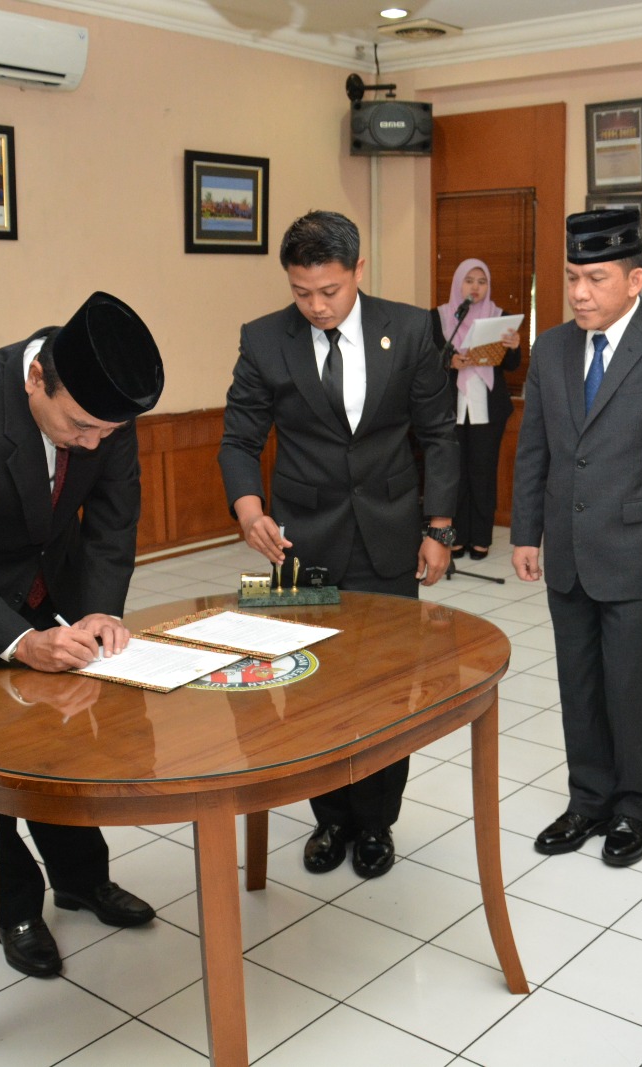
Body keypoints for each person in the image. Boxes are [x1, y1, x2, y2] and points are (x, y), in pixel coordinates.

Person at [0, 291, 164, 979]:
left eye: (105, 433)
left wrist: (103, 611)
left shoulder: (105, 412)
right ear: (35, 380)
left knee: (67, 747)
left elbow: (113, 520)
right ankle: (17, 905)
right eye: (79, 427)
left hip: (59, 588)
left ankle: (82, 880)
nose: (91, 443)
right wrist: (19, 642)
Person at [219, 210, 458, 879]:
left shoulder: (411, 330)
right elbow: (239, 437)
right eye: (302, 292)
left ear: (358, 270)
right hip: (303, 540)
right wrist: (247, 509)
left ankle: (376, 822)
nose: (317, 306)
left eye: (330, 290)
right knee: (310, 686)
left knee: (386, 686)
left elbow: (439, 434)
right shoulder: (266, 340)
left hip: (389, 534)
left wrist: (439, 527)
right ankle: (330, 817)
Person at [510, 208, 642, 868]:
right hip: (568, 551)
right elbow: (533, 450)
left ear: (634, 280)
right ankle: (587, 800)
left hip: (640, 553)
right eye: (572, 277)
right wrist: (524, 533)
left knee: (632, 686)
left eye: (594, 279)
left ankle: (633, 806)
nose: (578, 293)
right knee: (579, 683)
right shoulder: (552, 349)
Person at [434, 257, 521, 560]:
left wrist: (514, 346)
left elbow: (511, 365)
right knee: (453, 475)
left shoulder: (499, 316)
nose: (476, 286)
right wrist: (449, 362)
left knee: (482, 474)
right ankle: (454, 537)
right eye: (470, 280)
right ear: (459, 283)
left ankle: (481, 537)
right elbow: (425, 363)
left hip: (488, 409)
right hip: (450, 410)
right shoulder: (441, 317)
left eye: (482, 281)